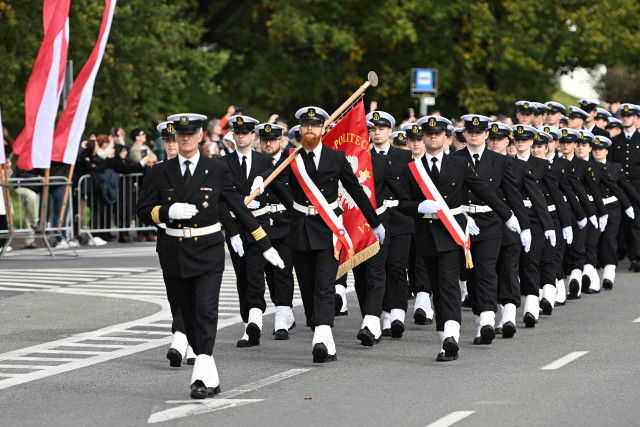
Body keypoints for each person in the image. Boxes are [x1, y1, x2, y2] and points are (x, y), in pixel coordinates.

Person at [137, 112, 284, 399]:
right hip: (174, 250)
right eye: (180, 135)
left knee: (205, 310)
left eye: (191, 134)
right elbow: (142, 209)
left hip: (207, 250)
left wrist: (263, 242)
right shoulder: (160, 172)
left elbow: (237, 206)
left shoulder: (214, 169)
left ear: (201, 135)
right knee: (188, 313)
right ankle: (211, 373)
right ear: (176, 139)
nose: (186, 139)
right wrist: (167, 212)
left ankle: (201, 375)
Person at [256, 106, 384, 363]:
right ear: (300, 131)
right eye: (306, 126)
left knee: (325, 284)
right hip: (300, 228)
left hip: (328, 230)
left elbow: (356, 191)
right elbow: (272, 179)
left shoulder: (336, 158)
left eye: (315, 125)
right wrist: (265, 185)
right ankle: (325, 338)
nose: (310, 130)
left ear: (324, 129)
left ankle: (321, 337)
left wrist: (375, 222)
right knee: (307, 285)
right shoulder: (292, 158)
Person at [399, 115, 518, 362]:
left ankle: (451, 336)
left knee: (449, 283)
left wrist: (508, 216)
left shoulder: (458, 165)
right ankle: (445, 336)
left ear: (447, 138)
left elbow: (483, 190)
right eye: (429, 134)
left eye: (438, 134)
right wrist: (418, 206)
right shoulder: (412, 169)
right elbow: (402, 203)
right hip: (426, 235)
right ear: (423, 137)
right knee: (437, 289)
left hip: (452, 232)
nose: (433, 137)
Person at [452, 114, 527, 344]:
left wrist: (522, 225)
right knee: (470, 275)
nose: (474, 135)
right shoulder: (454, 159)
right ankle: (480, 315)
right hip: (461, 221)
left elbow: (513, 194)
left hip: (490, 221)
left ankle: (486, 319)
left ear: (486, 134)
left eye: (479, 132)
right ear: (464, 134)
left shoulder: (500, 161)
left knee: (486, 270)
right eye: (470, 132)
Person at [222, 115, 292, 348]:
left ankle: (254, 322)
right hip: (236, 228)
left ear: (253, 136)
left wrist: (263, 178)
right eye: (237, 133)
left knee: (254, 274)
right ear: (233, 136)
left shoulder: (264, 162)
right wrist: (231, 232)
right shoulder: (223, 164)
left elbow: (282, 187)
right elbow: (221, 201)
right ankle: (249, 321)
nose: (241, 136)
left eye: (246, 133)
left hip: (260, 227)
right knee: (243, 277)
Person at [366, 110, 412, 338]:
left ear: (390, 131)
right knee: (378, 269)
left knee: (397, 267)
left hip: (401, 218)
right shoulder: (363, 157)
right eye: (373, 129)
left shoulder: (404, 156)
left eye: (381, 129)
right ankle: (382, 315)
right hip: (376, 219)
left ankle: (397, 314)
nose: (377, 133)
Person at [256, 123, 297, 340]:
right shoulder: (255, 164)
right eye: (264, 140)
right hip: (262, 224)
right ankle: (285, 310)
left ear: (281, 141)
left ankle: (282, 315)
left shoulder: (290, 161)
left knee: (283, 270)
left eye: (272, 139)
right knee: (269, 273)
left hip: (286, 222)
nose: (268, 143)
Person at [592, 135, 640, 289]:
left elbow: (627, 188)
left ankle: (609, 272)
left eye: (601, 149)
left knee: (609, 239)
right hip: (593, 208)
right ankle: (591, 274)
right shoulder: (587, 167)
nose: (597, 152)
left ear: (607, 151)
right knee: (592, 241)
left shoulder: (614, 167)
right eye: (595, 149)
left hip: (611, 207)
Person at [608, 103, 640, 271]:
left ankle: (636, 257)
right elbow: (612, 166)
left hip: (637, 186)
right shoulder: (614, 142)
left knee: (636, 222)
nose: (626, 118)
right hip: (620, 187)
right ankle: (617, 252)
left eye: (629, 115)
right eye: (623, 115)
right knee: (618, 221)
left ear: (635, 118)